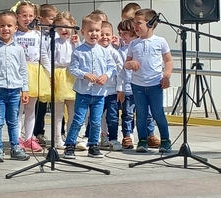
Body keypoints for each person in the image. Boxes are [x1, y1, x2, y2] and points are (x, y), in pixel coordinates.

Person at [63, 13, 116, 159]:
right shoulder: (79, 51)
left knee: (96, 120)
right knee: (79, 118)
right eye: (91, 31)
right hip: (83, 91)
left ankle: (93, 145)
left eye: (97, 31)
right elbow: (72, 69)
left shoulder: (104, 51)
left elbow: (112, 67)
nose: (94, 34)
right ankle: (70, 145)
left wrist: (106, 76)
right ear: (83, 32)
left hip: (99, 93)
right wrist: (85, 74)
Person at [0, 11, 30, 162]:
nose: (5, 29)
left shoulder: (19, 48)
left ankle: (15, 147)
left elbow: (23, 69)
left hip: (15, 90)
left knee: (13, 121)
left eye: (9, 25)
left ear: (16, 28)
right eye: (2, 25)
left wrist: (25, 88)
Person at [125, 8, 173, 153]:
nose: (135, 27)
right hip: (138, 85)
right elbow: (126, 63)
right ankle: (142, 140)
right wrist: (130, 64)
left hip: (155, 84)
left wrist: (167, 76)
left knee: (158, 113)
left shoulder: (160, 41)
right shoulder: (133, 44)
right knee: (141, 113)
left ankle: (165, 140)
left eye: (138, 23)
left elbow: (169, 60)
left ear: (151, 24)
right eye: (134, 23)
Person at [13, 0, 50, 152]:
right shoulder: (14, 34)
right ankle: (16, 139)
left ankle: (29, 138)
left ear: (35, 16)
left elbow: (44, 55)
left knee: (31, 109)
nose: (27, 18)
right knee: (18, 109)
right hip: (17, 72)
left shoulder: (38, 35)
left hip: (34, 73)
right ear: (17, 16)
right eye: (23, 15)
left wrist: (49, 74)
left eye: (30, 15)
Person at [117, 19, 159, 150]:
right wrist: (121, 89)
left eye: (125, 33)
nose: (122, 36)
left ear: (134, 33)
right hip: (129, 88)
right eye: (121, 33)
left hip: (143, 86)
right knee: (128, 114)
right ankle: (127, 136)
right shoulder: (121, 50)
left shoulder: (139, 45)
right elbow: (121, 72)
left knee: (147, 113)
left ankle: (150, 135)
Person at [51, 11, 80, 149]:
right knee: (58, 111)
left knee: (73, 110)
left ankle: (71, 137)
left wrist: (77, 43)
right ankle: (57, 138)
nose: (63, 30)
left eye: (66, 26)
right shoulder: (54, 42)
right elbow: (50, 59)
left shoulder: (76, 42)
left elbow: (80, 57)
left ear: (73, 25)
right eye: (60, 27)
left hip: (72, 75)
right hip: (58, 74)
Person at [33, 3, 58, 147]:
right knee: (40, 106)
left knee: (57, 104)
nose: (54, 21)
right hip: (42, 72)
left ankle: (59, 133)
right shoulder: (38, 35)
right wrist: (49, 72)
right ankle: (38, 132)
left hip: (58, 72)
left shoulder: (56, 33)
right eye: (51, 18)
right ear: (41, 19)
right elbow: (42, 55)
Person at [97, 21, 123, 151]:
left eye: (107, 34)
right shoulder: (94, 51)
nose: (104, 37)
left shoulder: (114, 53)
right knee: (95, 117)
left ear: (113, 36)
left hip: (112, 92)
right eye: (101, 34)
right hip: (97, 92)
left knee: (112, 118)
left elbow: (121, 72)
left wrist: (120, 89)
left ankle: (113, 139)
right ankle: (93, 139)